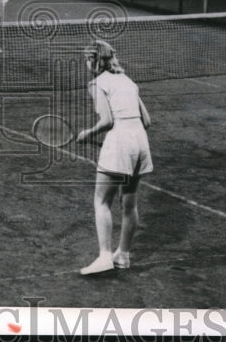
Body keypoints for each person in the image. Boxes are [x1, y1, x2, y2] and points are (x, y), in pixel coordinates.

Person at [75, 39, 153, 275]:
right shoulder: (128, 82)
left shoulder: (97, 83)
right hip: (140, 142)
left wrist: (87, 133)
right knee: (129, 203)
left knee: (101, 201)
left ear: (93, 60)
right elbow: (147, 121)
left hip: (120, 142)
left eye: (87, 59)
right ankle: (124, 255)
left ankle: (105, 257)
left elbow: (108, 121)